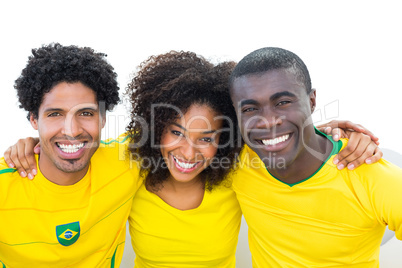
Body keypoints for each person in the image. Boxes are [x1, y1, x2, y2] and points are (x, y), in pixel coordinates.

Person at [4, 50, 382, 267]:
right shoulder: (130, 161)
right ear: (156, 129)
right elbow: (72, 139)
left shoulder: (238, 170)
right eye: (177, 132)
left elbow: (280, 139)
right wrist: (31, 144)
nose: (188, 152)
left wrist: (330, 133)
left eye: (207, 137)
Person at [229, 46, 402, 267]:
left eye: (282, 102)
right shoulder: (235, 162)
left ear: (312, 101)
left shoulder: (369, 173)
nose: (268, 121)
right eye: (250, 109)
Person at [0, 43, 141, 267]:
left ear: (103, 118)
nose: (72, 130)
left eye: (86, 113)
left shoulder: (131, 160)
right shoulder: (4, 186)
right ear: (34, 120)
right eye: (55, 114)